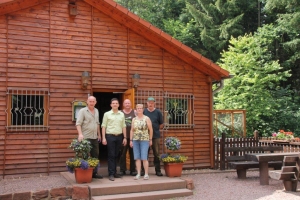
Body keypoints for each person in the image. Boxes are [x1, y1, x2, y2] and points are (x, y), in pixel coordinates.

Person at [76, 96, 103, 179]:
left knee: (95, 155)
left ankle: (94, 173)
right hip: (85, 137)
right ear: (87, 102)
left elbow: (97, 123)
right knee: (85, 156)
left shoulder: (97, 111)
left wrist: (99, 134)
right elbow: (78, 124)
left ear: (95, 102)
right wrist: (80, 134)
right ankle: (84, 173)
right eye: (90, 101)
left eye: (93, 101)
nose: (91, 103)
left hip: (94, 137)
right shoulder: (82, 111)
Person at [101, 98, 127, 181]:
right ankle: (111, 173)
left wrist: (125, 137)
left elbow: (124, 126)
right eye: (113, 103)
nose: (115, 104)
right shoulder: (107, 114)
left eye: (116, 103)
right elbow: (103, 126)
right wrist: (104, 138)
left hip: (119, 136)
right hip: (110, 136)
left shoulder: (121, 114)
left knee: (116, 155)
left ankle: (115, 172)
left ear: (119, 105)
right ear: (111, 105)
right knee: (111, 155)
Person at [130, 104, 153, 180]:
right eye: (138, 108)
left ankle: (146, 174)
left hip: (144, 140)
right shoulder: (134, 119)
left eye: (141, 108)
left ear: (143, 109)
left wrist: (150, 139)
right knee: (137, 158)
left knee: (144, 158)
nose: (139, 109)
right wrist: (131, 140)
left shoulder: (147, 118)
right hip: (135, 140)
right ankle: (138, 174)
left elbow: (150, 129)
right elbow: (132, 130)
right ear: (136, 110)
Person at [143, 97, 164, 176]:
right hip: (145, 136)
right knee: (145, 154)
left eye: (152, 102)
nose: (150, 104)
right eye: (149, 102)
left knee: (156, 154)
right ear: (147, 103)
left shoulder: (158, 112)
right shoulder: (144, 111)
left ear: (154, 103)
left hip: (155, 136)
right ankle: (143, 171)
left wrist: (154, 129)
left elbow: (161, 124)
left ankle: (158, 170)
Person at [119, 99, 137, 176]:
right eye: (126, 103)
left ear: (130, 104)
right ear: (123, 104)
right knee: (122, 154)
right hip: (123, 137)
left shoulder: (135, 112)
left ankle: (133, 170)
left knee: (132, 153)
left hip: (133, 137)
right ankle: (122, 170)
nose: (127, 104)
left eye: (128, 103)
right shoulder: (120, 113)